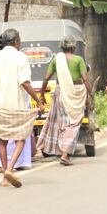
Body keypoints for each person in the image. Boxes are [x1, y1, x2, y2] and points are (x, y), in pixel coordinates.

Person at [0, 29, 46, 188]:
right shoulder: (21, 57)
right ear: (16, 42)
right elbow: (25, 82)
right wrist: (38, 101)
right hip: (16, 107)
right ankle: (10, 169)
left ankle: (5, 176)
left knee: (2, 141)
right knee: (21, 138)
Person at [36, 36, 92, 166]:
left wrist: (42, 95)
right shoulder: (79, 60)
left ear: (62, 47)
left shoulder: (57, 59)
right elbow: (85, 79)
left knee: (61, 122)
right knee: (73, 123)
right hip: (77, 93)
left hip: (61, 92)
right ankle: (65, 154)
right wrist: (91, 96)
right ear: (74, 47)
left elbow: (46, 78)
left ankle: (53, 148)